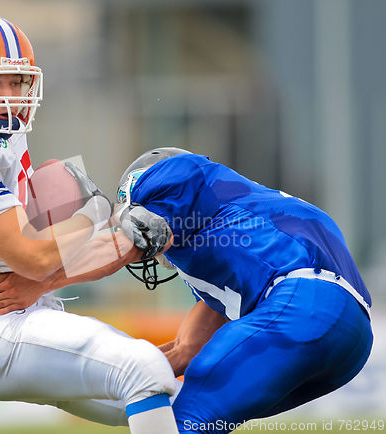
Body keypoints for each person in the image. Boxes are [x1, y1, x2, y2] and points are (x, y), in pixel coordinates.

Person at [0, 16, 180, 434]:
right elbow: (31, 257)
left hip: (29, 311)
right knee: (144, 367)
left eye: (17, 83)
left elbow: (41, 267)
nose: (10, 98)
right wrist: (96, 212)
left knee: (177, 402)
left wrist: (102, 238)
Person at [113, 147, 373, 433]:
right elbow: (187, 351)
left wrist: (71, 253)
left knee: (186, 421)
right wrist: (104, 376)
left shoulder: (182, 177)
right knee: (201, 418)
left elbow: (187, 169)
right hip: (351, 337)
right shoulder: (228, 244)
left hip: (306, 304)